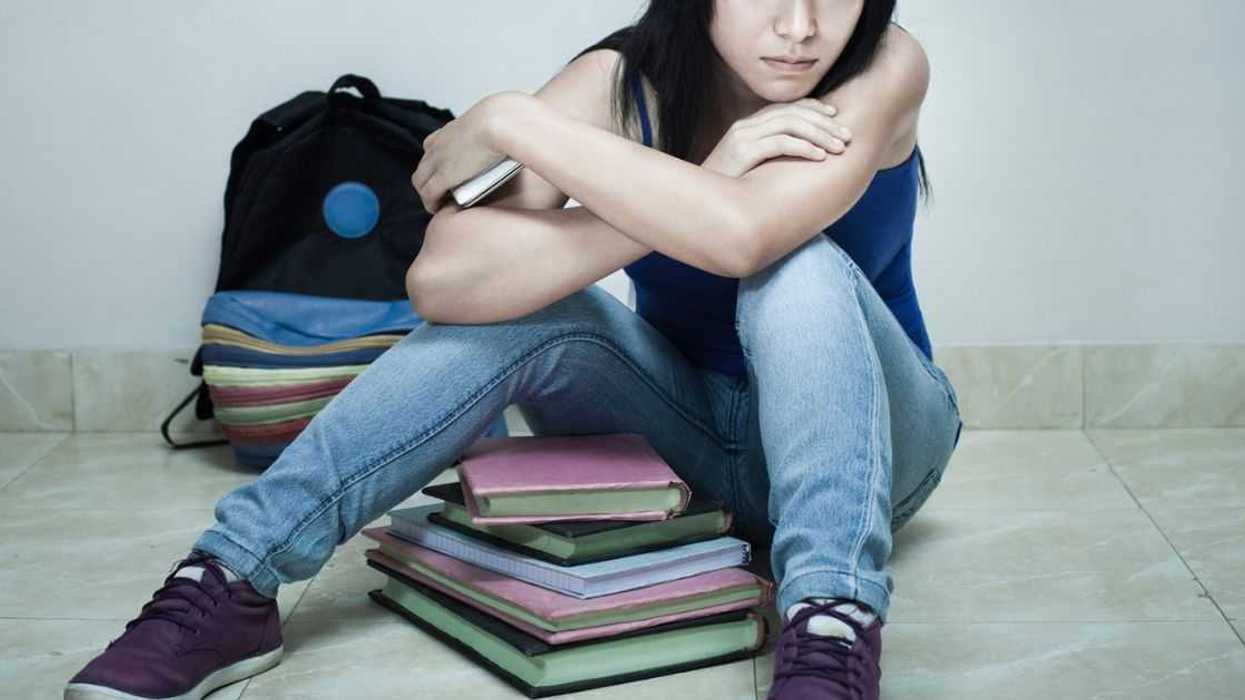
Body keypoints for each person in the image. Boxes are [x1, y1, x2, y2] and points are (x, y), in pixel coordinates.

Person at [65, 1, 961, 699]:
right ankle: (230, 578)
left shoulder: (884, 65)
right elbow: (444, 281)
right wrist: (680, 179)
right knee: (527, 305)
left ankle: (830, 619)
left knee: (791, 263)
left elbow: (740, 238)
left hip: (878, 441)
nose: (800, 28)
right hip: (695, 436)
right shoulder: (622, 84)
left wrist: (512, 121)